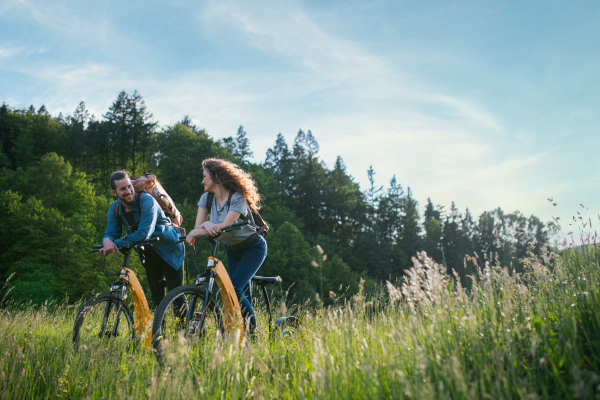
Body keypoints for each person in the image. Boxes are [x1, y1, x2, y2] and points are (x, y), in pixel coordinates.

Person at [186, 158, 267, 335]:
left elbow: (224, 226)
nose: (202, 181)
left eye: (204, 176)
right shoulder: (206, 198)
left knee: (234, 290)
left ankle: (253, 334)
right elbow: (198, 226)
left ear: (216, 176)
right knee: (242, 292)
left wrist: (201, 229)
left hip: (253, 247)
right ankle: (245, 335)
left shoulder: (237, 196)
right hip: (232, 249)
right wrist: (206, 226)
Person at [101, 170, 186, 311]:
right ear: (114, 193)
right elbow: (111, 233)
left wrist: (115, 243)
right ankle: (158, 333)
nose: (128, 191)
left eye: (129, 186)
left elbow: (144, 233)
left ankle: (184, 333)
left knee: (177, 297)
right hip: (149, 253)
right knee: (157, 298)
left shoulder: (147, 200)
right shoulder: (115, 208)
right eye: (122, 189)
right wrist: (107, 241)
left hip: (170, 249)